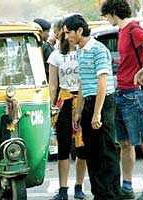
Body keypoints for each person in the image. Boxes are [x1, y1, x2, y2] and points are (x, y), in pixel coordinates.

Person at [100, 1, 143, 199]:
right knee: (125, 143)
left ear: (113, 13)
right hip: (121, 91)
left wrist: (140, 72)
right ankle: (127, 186)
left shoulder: (133, 29)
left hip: (133, 93)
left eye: (106, 15)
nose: (106, 19)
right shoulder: (122, 31)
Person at [63, 14, 122, 200]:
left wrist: (97, 113)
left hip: (103, 103)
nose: (66, 37)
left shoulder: (98, 49)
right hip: (88, 102)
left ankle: (112, 194)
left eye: (68, 33)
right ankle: (99, 193)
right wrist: (78, 111)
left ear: (79, 30)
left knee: (107, 151)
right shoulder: (79, 51)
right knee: (92, 152)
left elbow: (102, 82)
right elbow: (83, 83)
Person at [48, 22, 87, 200]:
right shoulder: (56, 55)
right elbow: (53, 84)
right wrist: (52, 105)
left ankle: (79, 186)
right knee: (63, 147)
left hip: (82, 101)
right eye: (65, 33)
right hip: (64, 101)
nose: (69, 36)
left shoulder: (84, 52)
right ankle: (63, 189)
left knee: (82, 147)